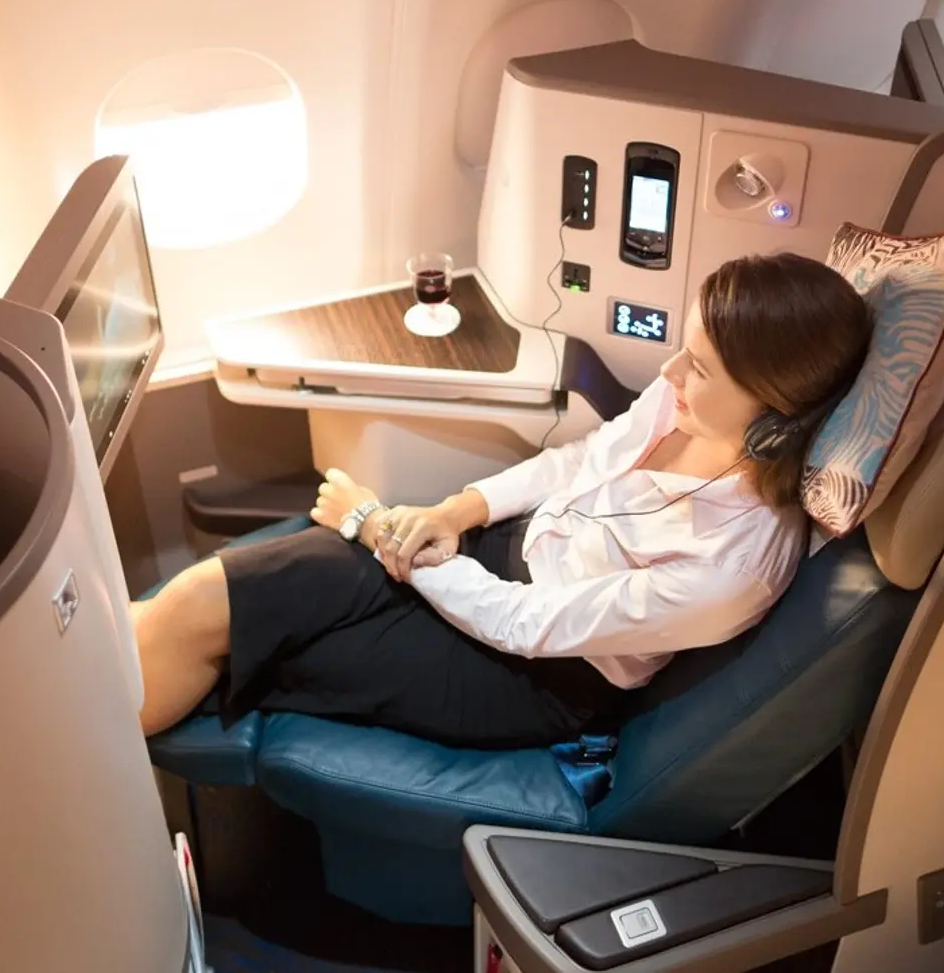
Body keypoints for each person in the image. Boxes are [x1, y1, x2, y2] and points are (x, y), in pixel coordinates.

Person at [133, 253, 873, 748]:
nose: (670, 370)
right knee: (207, 596)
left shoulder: (732, 565)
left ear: (774, 417)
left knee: (249, 645)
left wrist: (374, 526)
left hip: (526, 674)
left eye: (701, 368)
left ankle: (74, 748)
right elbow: (581, 459)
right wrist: (458, 511)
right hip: (496, 552)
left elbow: (525, 624)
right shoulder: (683, 400)